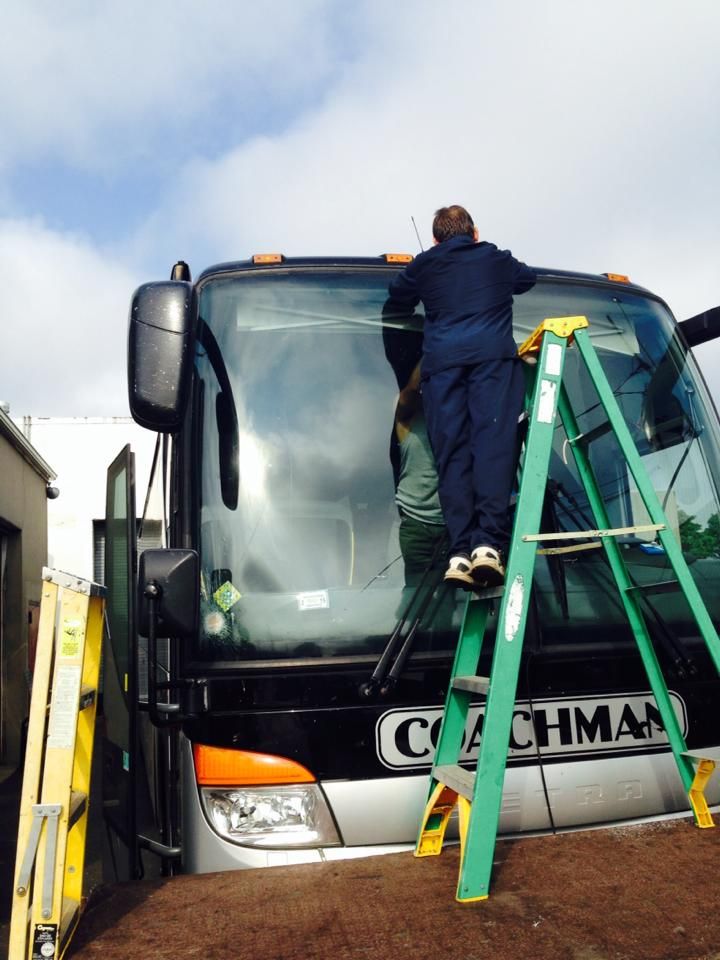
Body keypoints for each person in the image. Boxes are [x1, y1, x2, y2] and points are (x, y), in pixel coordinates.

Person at [386, 204, 535, 590]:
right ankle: (487, 545)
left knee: (451, 453)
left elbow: (397, 295)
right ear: (475, 232)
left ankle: (459, 552)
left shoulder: (425, 263)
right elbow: (527, 280)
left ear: (435, 238)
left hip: (443, 368)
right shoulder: (495, 257)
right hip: (491, 363)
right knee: (492, 447)